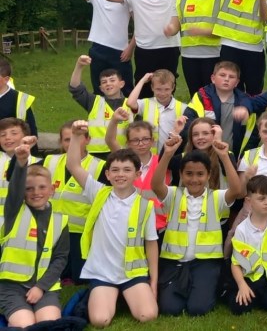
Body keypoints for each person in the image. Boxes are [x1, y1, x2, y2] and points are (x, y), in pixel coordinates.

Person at [66, 121, 158, 327]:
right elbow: (73, 165)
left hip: (133, 273)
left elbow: (151, 244)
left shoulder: (145, 205)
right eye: (115, 170)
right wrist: (75, 136)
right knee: (100, 320)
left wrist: (153, 282)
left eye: (127, 170)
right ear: (107, 174)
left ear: (137, 174)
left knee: (148, 315)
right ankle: (107, 296)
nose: (120, 174)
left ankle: (126, 295)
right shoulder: (98, 192)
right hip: (102, 273)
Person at [151, 132, 244, 316]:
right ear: (181, 174)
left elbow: (236, 189)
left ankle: (203, 288)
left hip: (205, 262)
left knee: (198, 309)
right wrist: (167, 153)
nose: (194, 179)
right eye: (189, 174)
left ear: (208, 175)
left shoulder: (216, 197)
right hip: (175, 261)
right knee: (170, 309)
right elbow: (155, 185)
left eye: (200, 174)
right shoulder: (173, 194)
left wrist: (224, 157)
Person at [103, 0, 196, 98]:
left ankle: (166, 111)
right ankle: (143, 112)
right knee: (144, 87)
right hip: (145, 49)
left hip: (169, 47)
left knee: (167, 86)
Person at [0, 144, 68, 328]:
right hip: (11, 286)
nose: (36, 192)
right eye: (29, 189)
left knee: (49, 324)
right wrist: (21, 162)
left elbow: (60, 258)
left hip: (44, 286)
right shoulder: (14, 211)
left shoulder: (60, 220)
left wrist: (41, 287)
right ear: (22, 192)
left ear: (52, 189)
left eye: (42, 187)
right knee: (26, 325)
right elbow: (15, 187)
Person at [44, 120, 106, 284]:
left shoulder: (100, 166)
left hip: (81, 230)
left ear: (88, 139)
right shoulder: (50, 161)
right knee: (54, 272)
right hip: (53, 227)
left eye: (77, 138)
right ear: (61, 142)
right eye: (67, 139)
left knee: (79, 277)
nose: (72, 143)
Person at [63, 0, 135, 95]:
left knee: (125, 90)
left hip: (121, 52)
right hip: (98, 50)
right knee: (100, 89)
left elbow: (139, 25)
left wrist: (130, 48)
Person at [228, 175, 267, 315]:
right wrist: (242, 285)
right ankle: (246, 293)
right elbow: (235, 263)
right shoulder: (241, 229)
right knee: (239, 307)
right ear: (249, 201)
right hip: (250, 277)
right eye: (261, 199)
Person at [163, 0, 222, 96]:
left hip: (213, 55)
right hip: (188, 55)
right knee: (194, 94)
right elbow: (175, 25)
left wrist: (201, 31)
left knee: (212, 95)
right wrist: (170, 29)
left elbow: (224, 30)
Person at [184, 61, 255, 157]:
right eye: (222, 75)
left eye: (231, 77)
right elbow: (188, 124)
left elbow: (252, 135)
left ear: (237, 82)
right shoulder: (202, 98)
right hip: (205, 155)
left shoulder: (244, 102)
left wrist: (243, 157)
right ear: (213, 78)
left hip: (233, 156)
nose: (226, 79)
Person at [68, 55, 132, 156]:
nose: (108, 84)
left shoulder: (131, 104)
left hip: (122, 154)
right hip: (96, 154)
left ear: (121, 84)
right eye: (104, 82)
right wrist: (79, 66)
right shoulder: (93, 101)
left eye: (112, 80)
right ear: (101, 88)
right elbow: (75, 89)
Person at [126, 70, 188, 153]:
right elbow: (130, 103)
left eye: (167, 89)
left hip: (172, 155)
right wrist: (142, 81)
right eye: (158, 89)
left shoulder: (183, 107)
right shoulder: (146, 103)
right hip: (150, 156)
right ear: (152, 87)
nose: (162, 93)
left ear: (173, 88)